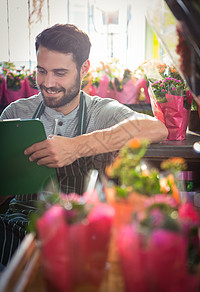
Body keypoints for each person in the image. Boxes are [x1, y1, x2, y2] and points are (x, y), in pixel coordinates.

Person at [0, 23, 168, 266]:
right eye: (41, 71)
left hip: (80, 230)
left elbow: (156, 128)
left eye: (60, 73)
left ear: (84, 68)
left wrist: (76, 147)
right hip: (19, 226)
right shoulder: (16, 112)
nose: (48, 82)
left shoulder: (103, 112)